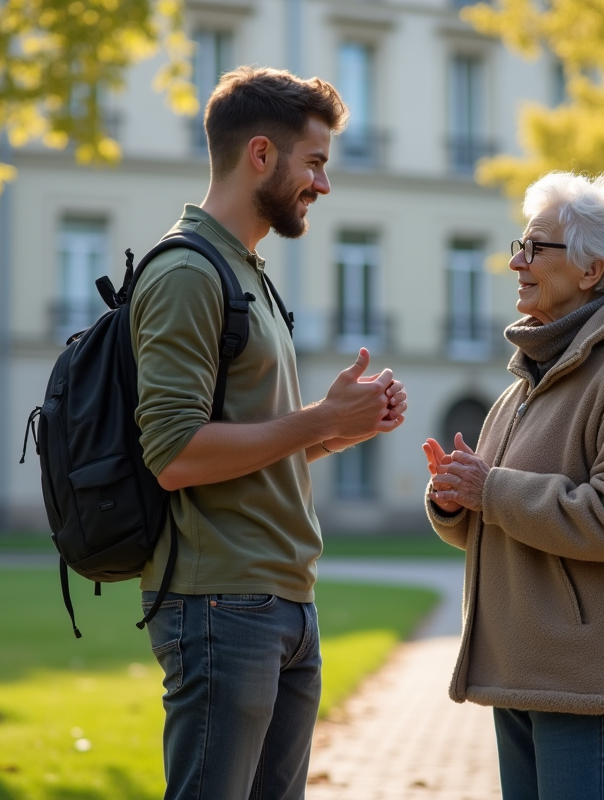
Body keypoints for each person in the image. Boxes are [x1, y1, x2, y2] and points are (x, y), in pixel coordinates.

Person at [132, 66, 408, 800]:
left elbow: (255, 446)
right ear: (262, 154)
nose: (323, 183)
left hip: (282, 600)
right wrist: (318, 418)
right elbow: (174, 455)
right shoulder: (189, 272)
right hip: (221, 603)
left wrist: (340, 428)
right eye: (314, 162)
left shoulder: (247, 271)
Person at [422, 172, 604, 800]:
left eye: (534, 248)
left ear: (590, 270)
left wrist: (491, 491)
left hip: (584, 681)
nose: (515, 261)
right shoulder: (531, 379)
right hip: (525, 669)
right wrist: (454, 499)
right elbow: (491, 513)